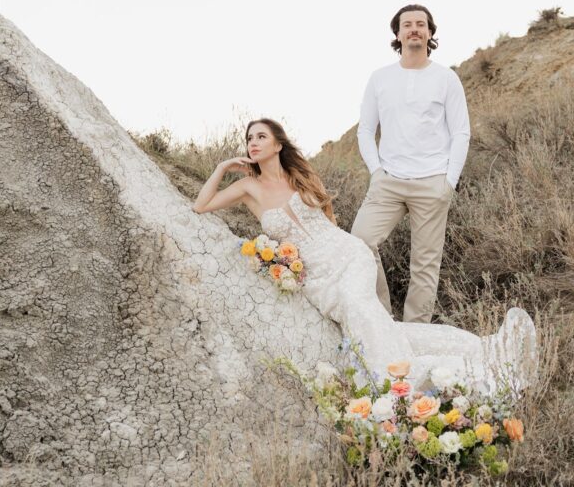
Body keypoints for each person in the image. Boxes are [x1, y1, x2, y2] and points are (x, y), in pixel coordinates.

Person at [193, 118, 537, 395]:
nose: (252, 143)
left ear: (278, 144)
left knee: (358, 306)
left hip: (346, 254)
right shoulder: (248, 188)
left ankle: (402, 381)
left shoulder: (299, 175)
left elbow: (327, 217)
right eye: (249, 138)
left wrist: (334, 243)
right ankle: (485, 353)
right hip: (315, 274)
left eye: (261, 136)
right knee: (381, 326)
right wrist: (222, 168)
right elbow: (201, 205)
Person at [352, 4, 470, 322]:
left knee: (425, 265)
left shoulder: (446, 79)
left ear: (430, 33)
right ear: (397, 33)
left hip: (432, 181)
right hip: (389, 180)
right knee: (360, 242)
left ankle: (415, 336)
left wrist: (449, 183)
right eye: (408, 24)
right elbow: (365, 129)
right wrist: (376, 172)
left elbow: (461, 132)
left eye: (421, 24)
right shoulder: (380, 79)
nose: (414, 29)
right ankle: (380, 321)